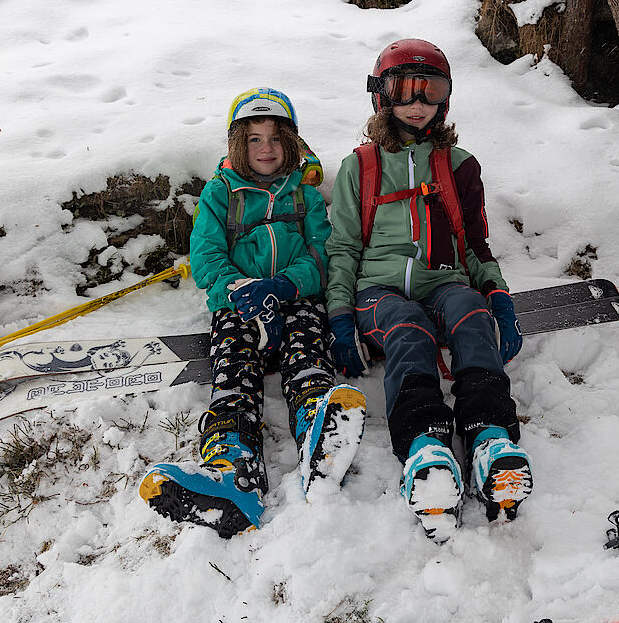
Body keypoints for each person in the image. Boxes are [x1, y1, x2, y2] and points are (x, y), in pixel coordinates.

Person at [324, 39, 532, 542]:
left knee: (468, 310)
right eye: (404, 91)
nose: (417, 103)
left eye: (430, 90)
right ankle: (425, 443)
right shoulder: (362, 166)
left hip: (444, 280)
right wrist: (338, 315)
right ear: (381, 97)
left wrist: (497, 296)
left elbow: (476, 243)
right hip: (378, 289)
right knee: (408, 327)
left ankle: (488, 435)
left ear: (446, 99)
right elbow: (344, 247)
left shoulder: (458, 165)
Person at [139, 88, 365, 538]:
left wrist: (285, 285)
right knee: (234, 369)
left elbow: (323, 252)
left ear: (292, 144)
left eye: (276, 139)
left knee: (308, 353)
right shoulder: (220, 192)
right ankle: (231, 469)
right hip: (240, 304)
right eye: (255, 139)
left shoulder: (305, 194)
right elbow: (206, 257)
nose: (266, 149)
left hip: (294, 299)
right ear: (238, 144)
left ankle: (320, 432)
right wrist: (241, 290)